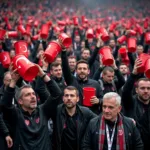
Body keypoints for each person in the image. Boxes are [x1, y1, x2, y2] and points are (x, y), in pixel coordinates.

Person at [1, 65, 62, 150]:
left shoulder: (43, 110)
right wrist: (13, 81)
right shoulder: (15, 115)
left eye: (33, 94)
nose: (33, 97)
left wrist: (43, 74)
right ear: (20, 101)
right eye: (27, 95)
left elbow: (57, 94)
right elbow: (5, 105)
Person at [53, 86, 97, 150]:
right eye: (66, 95)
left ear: (77, 98)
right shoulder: (57, 111)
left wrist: (100, 102)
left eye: (72, 95)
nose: (69, 98)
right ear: (63, 98)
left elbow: (98, 121)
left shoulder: (85, 112)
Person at [121, 58, 150, 127]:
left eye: (148, 88)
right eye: (142, 88)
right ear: (136, 90)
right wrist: (133, 74)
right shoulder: (131, 102)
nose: (146, 91)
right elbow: (126, 91)